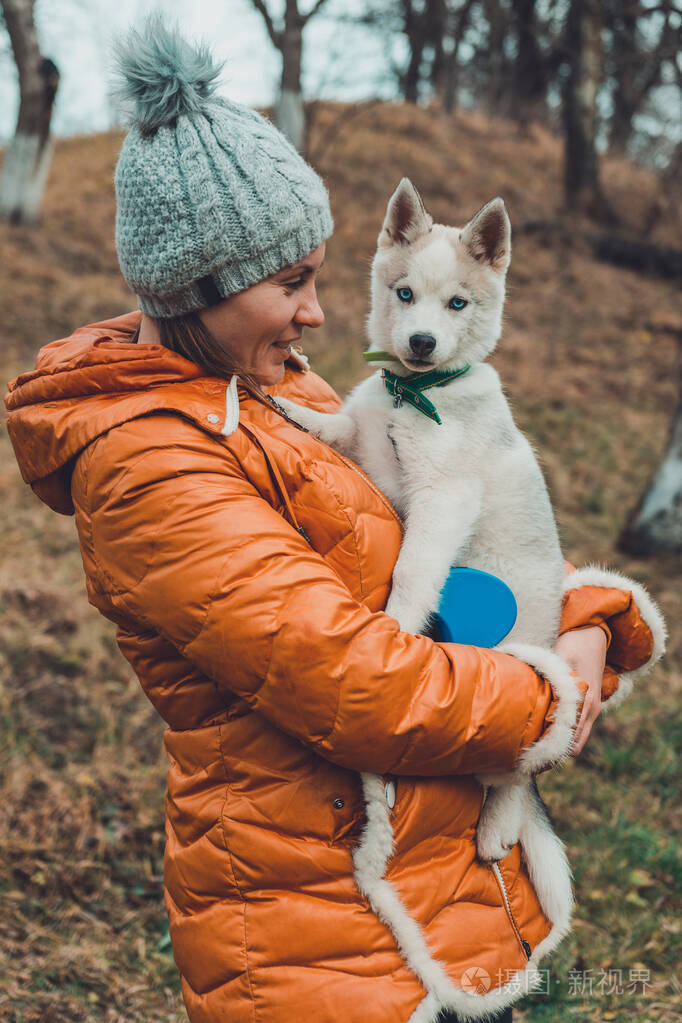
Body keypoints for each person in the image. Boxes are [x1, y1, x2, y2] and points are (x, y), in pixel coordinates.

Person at [5, 20, 665, 1023]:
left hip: (424, 901)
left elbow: (455, 555)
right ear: (199, 290)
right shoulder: (151, 465)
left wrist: (585, 623)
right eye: (289, 284)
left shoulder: (278, 390)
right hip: (316, 938)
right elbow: (362, 682)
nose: (317, 316)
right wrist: (547, 699)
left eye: (319, 277)